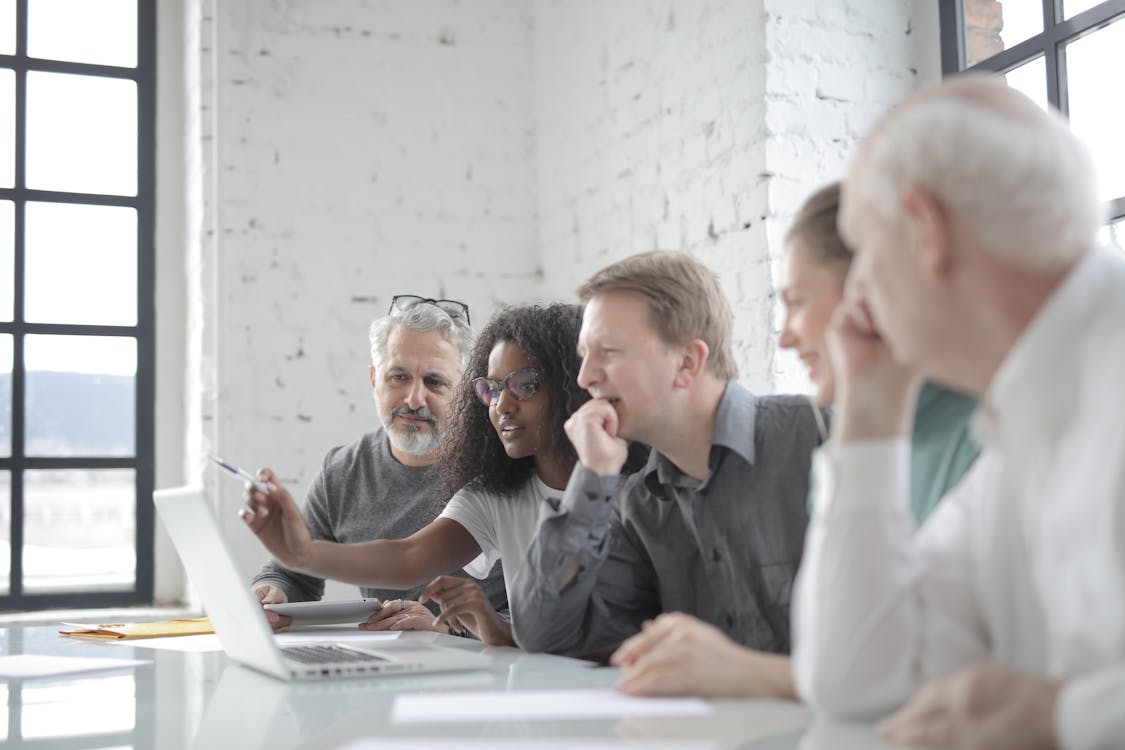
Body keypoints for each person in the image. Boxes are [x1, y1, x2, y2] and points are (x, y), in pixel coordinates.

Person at [792, 75, 1125, 750]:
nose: (859, 292)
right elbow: (857, 681)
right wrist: (870, 407)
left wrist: (1065, 719)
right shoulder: (1015, 437)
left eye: (866, 247)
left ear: (923, 230)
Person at [511, 251, 824, 699]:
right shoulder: (636, 505)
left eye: (608, 352)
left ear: (687, 364)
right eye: (584, 355)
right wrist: (592, 475)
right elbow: (542, 632)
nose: (584, 377)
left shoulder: (821, 438)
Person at [243, 304, 598, 645]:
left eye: (525, 385)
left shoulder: (610, 485)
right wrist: (296, 555)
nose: (502, 405)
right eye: (492, 389)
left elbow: (604, 623)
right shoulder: (490, 493)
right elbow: (407, 558)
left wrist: (463, 629)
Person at [249, 295, 506, 631]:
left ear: (465, 393)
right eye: (398, 377)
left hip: (491, 671)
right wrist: (270, 592)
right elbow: (293, 572)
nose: (414, 400)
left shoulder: (501, 470)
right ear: (374, 380)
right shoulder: (343, 472)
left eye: (435, 382)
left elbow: (544, 617)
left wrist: (447, 630)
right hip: (386, 664)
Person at [778, 181, 979, 526]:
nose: (784, 338)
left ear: (866, 291)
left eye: (796, 301)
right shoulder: (837, 459)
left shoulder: (984, 438)